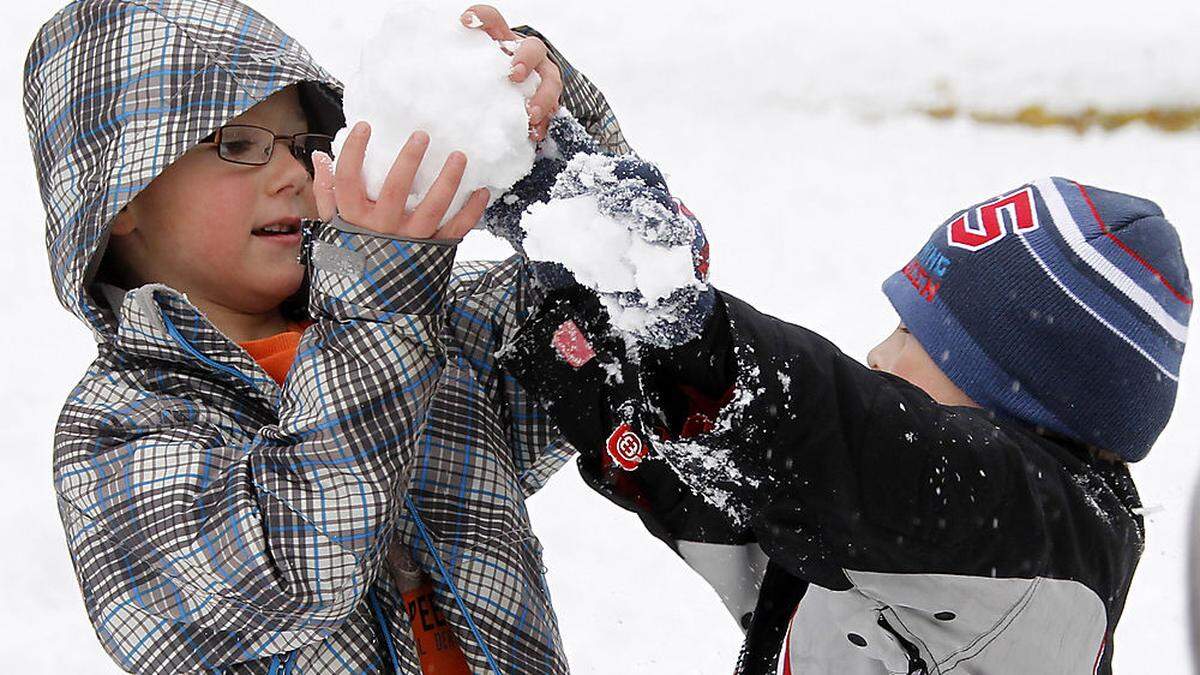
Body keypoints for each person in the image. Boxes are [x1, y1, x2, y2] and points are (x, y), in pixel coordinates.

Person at [25, 1, 699, 672]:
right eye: (236, 143)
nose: (291, 173)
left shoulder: (434, 325)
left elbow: (630, 304)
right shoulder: (116, 433)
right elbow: (300, 564)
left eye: (303, 144)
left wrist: (528, 136)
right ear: (121, 196)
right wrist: (379, 302)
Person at [500, 177, 1190, 673]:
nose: (882, 355)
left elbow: (831, 426)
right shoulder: (894, 538)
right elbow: (740, 504)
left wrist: (700, 342)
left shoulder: (1035, 532)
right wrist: (595, 353)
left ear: (1022, 404)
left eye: (925, 337)